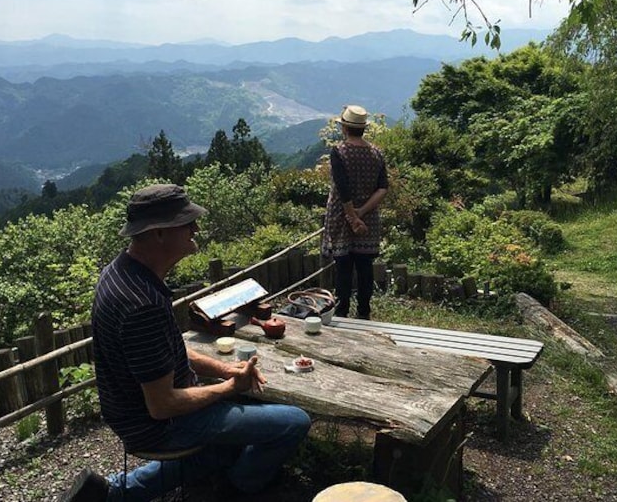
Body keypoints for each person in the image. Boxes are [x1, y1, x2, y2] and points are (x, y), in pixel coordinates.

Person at [62, 184, 311, 502]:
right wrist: (229, 388)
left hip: (125, 412)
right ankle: (240, 487)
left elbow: (169, 352)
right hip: (160, 425)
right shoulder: (142, 305)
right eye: (186, 221)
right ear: (158, 234)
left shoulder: (121, 273)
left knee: (225, 448)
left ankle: (114, 493)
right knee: (295, 422)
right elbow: (162, 405)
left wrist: (223, 368)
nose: (196, 227)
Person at [321, 105, 389, 320]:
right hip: (368, 218)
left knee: (343, 266)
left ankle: (341, 312)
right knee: (364, 266)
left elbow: (342, 188)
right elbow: (383, 188)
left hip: (342, 217)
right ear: (363, 129)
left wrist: (351, 217)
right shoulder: (377, 153)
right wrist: (361, 212)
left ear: (343, 128)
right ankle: (364, 313)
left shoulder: (339, 152)